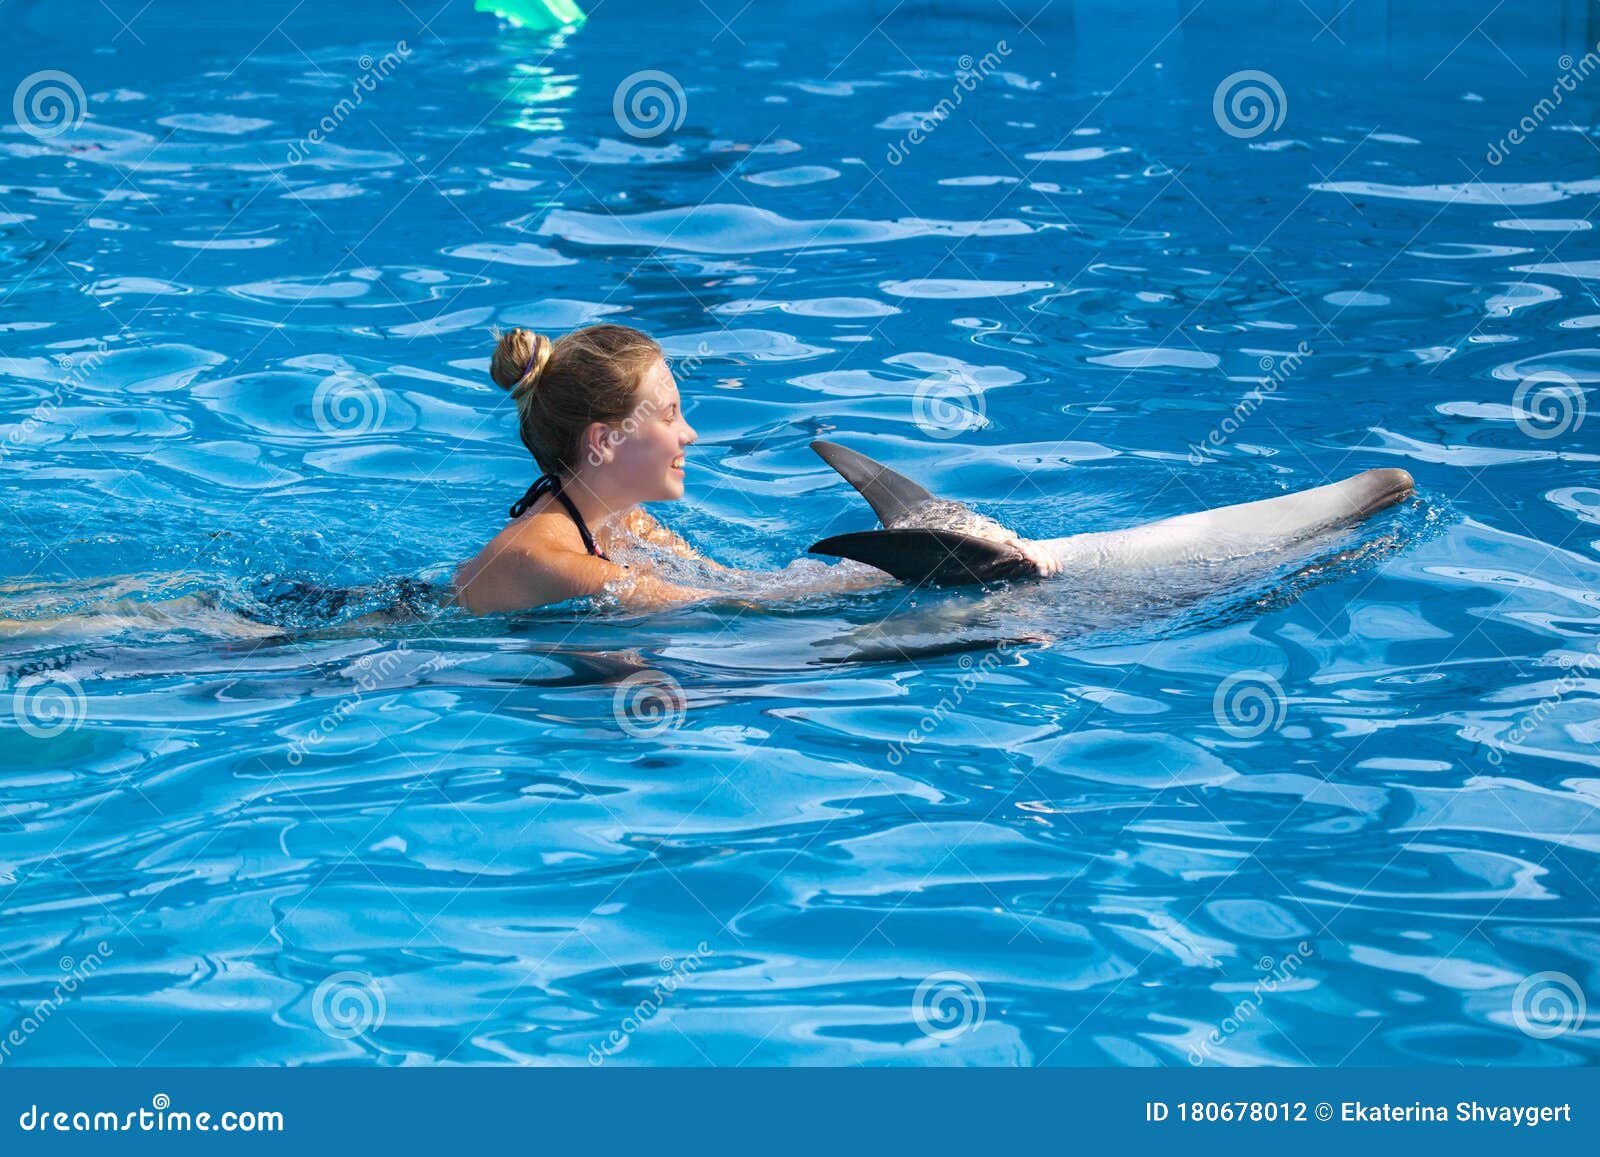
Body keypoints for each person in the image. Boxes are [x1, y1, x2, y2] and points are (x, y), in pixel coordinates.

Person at [456, 324, 884, 614]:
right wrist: (895, 585)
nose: (690, 434)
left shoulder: (622, 521)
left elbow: (741, 586)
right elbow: (722, 610)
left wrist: (885, 566)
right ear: (605, 441)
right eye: (669, 416)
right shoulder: (552, 560)